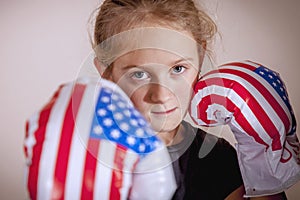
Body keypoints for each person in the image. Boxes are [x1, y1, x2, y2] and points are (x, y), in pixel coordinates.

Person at [91, 0, 289, 199]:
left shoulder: (216, 157)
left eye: (178, 69)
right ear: (106, 72)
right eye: (139, 74)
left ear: (200, 56)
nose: (161, 95)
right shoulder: (85, 156)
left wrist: (264, 170)